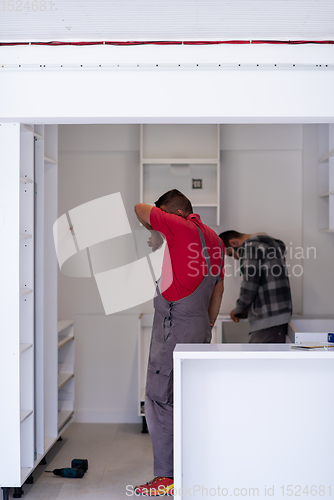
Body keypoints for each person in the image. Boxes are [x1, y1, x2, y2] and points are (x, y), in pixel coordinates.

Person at [134, 189, 225, 496]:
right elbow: (217, 291)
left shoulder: (179, 226)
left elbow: (139, 208)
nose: (157, 232)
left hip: (173, 328)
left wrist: (159, 223)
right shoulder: (214, 238)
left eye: (161, 224)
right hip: (200, 327)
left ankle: (166, 479)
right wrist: (208, 326)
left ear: (171, 214)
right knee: (188, 400)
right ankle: (192, 472)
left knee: (159, 399)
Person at [219, 230, 292, 343]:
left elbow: (249, 284)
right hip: (279, 315)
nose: (236, 258)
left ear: (233, 243)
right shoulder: (271, 244)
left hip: (266, 319)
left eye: (231, 254)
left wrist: (239, 309)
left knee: (258, 359)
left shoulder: (250, 247)